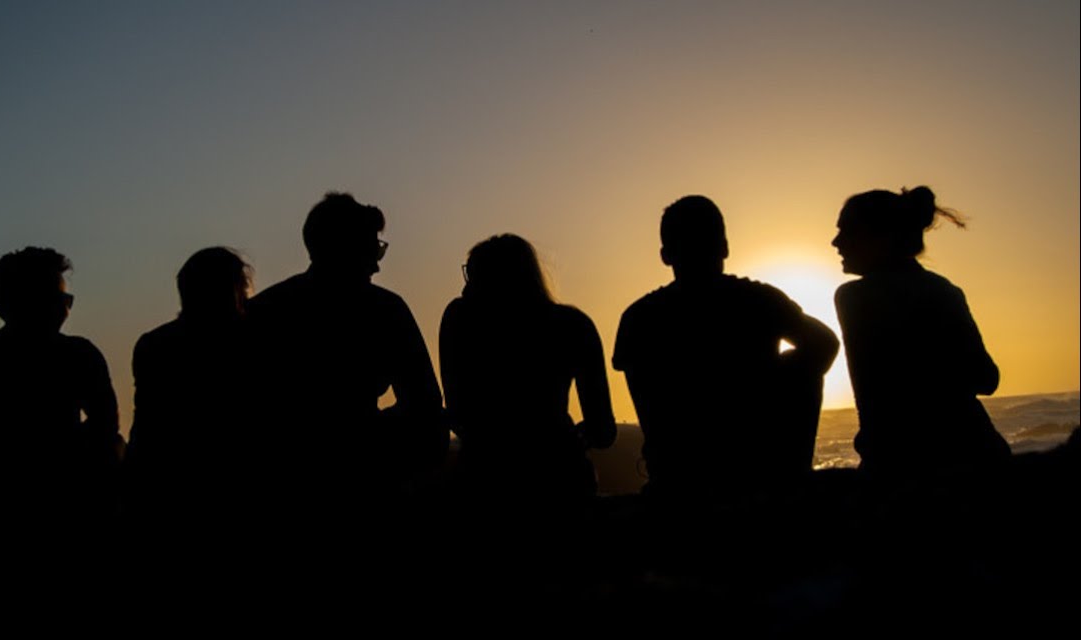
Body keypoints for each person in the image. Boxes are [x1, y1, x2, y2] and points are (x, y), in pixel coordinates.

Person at [613, 196, 839, 496]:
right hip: (755, 464)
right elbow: (826, 343)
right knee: (804, 369)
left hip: (676, 473)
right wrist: (779, 375)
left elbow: (644, 396)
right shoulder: (761, 300)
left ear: (665, 255)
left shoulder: (638, 317)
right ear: (724, 248)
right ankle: (792, 471)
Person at [249, 192, 448, 498]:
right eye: (372, 250)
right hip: (362, 479)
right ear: (347, 249)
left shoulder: (265, 308)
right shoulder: (386, 309)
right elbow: (425, 404)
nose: (377, 266)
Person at [832, 186, 1009, 478]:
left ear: (881, 237)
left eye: (846, 231)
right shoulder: (945, 291)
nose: (836, 242)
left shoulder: (855, 297)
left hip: (907, 465)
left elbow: (874, 405)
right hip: (980, 453)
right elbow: (987, 379)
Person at [0, 247, 121, 512]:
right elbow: (106, 427)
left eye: (66, 300)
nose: (63, 309)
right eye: (53, 299)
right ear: (9, 302)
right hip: (57, 496)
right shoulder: (79, 355)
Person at [440, 234, 616, 501]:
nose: (465, 290)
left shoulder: (459, 320)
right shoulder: (574, 325)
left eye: (472, 277)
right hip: (560, 478)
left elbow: (458, 412)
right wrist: (566, 438)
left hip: (482, 476)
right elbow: (603, 432)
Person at [125, 247, 254, 505]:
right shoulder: (251, 343)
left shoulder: (154, 345)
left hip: (169, 485)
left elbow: (146, 429)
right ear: (234, 291)